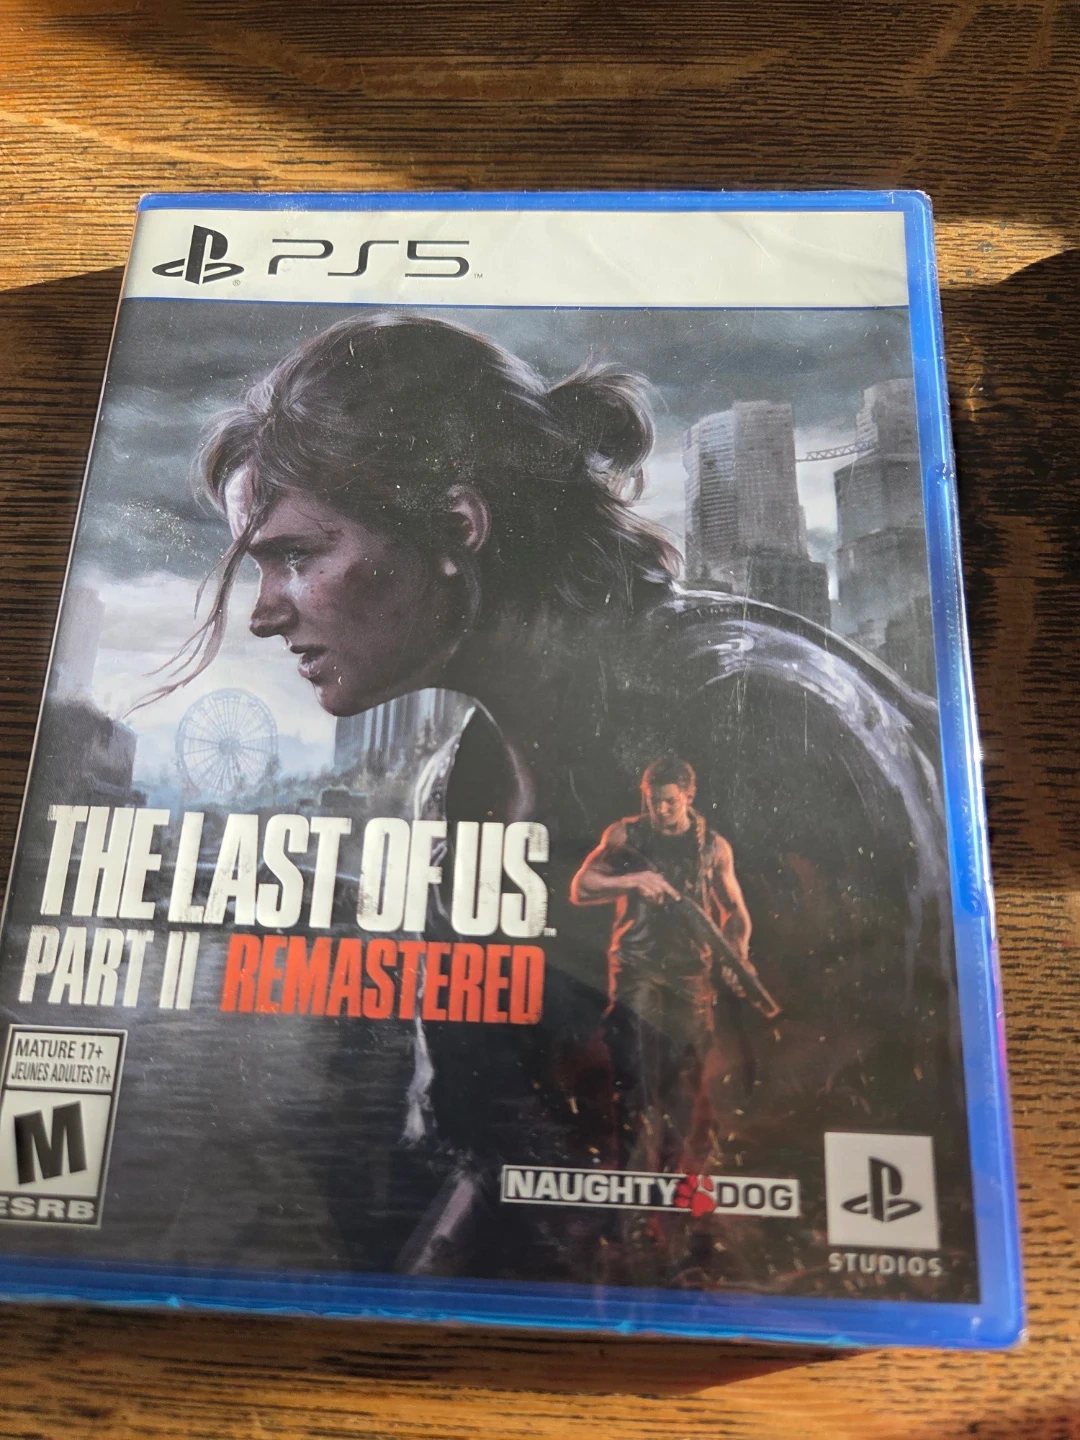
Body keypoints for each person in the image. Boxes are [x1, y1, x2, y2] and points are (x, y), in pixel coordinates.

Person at [162, 310, 964, 1281]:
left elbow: (856, 1166)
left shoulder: (758, 718)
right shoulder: (460, 785)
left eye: (296, 555)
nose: (262, 612)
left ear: (457, 526)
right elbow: (499, 1163)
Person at [570, 755, 755, 1172]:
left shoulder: (713, 847)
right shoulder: (627, 834)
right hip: (638, 966)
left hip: (691, 973)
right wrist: (633, 880)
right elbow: (582, 885)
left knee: (684, 1080)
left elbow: (736, 911)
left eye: (670, 801)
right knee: (632, 1070)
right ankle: (631, 1169)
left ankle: (674, 1172)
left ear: (689, 796)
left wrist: (737, 952)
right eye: (654, 801)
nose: (661, 809)